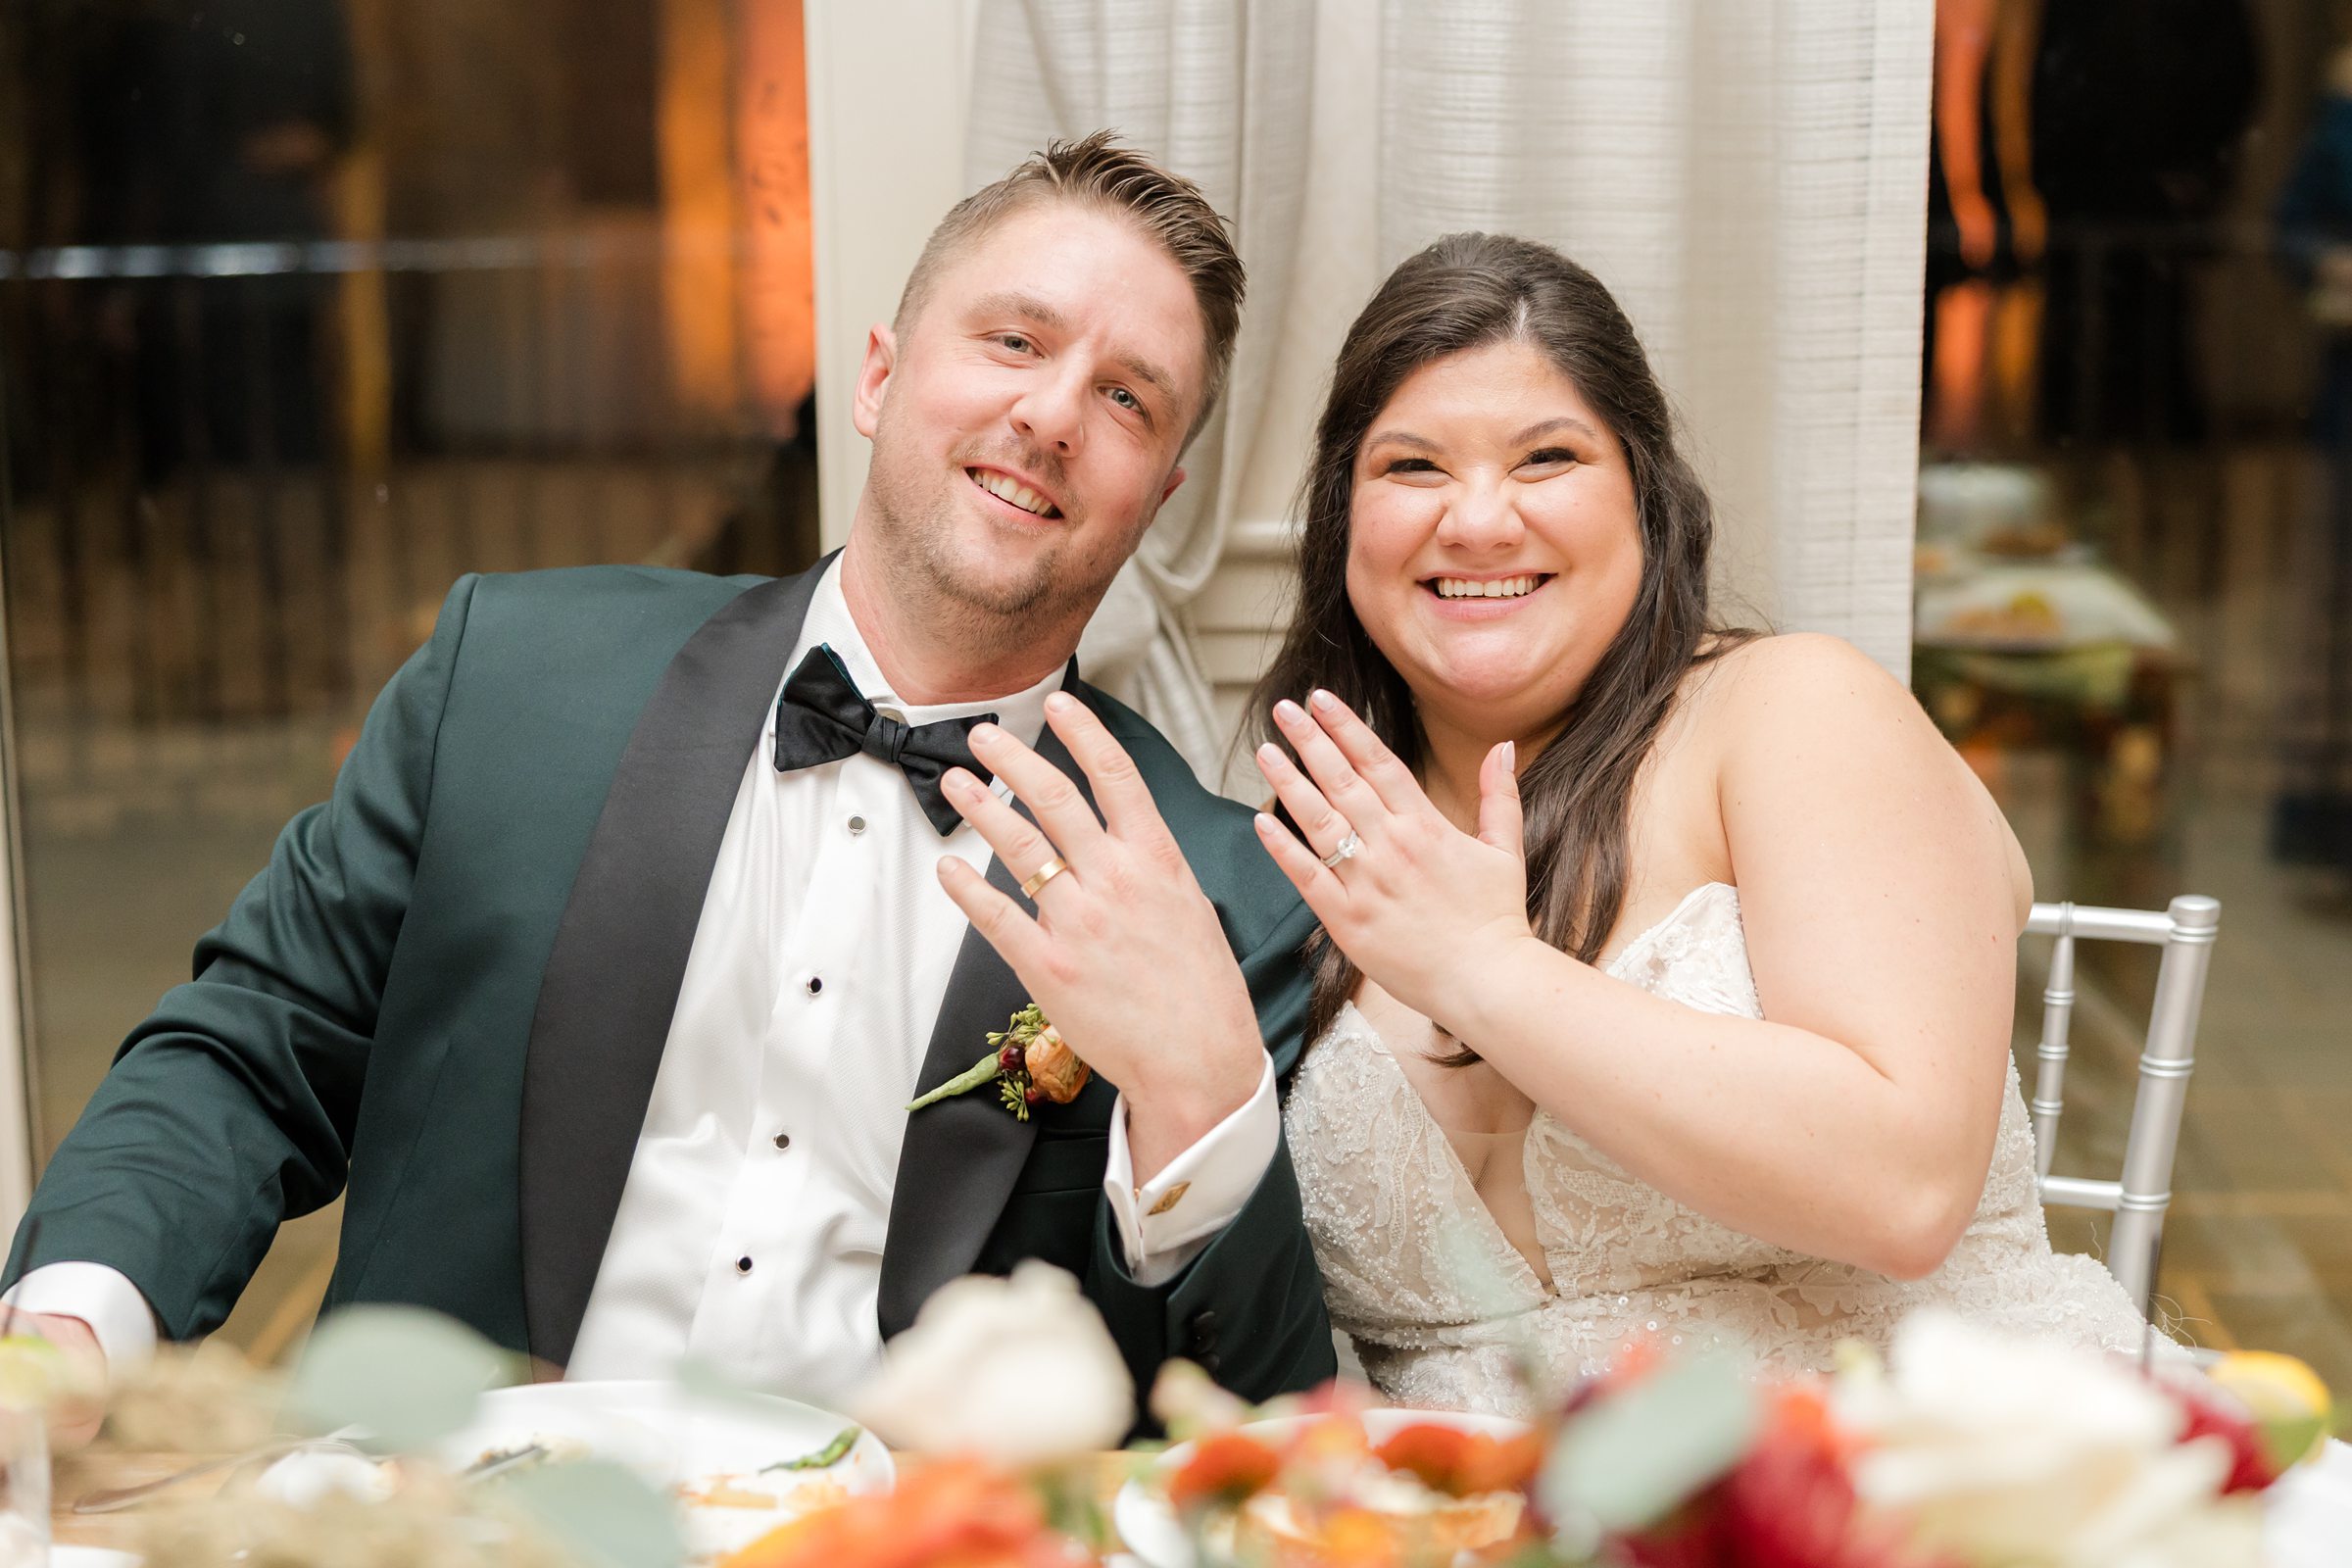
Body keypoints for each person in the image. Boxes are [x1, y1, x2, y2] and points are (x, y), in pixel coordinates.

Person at [0, 133, 1335, 1435]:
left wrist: (1203, 1106)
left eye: (1126, 398)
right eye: (1014, 342)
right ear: (875, 378)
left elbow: (1252, 1433)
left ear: (1154, 498)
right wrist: (70, 1326)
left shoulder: (1220, 899)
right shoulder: (512, 685)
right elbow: (251, 1048)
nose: (1049, 415)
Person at [1242, 232, 2153, 1414]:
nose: (1476, 521)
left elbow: (1908, 1185)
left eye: (1546, 457)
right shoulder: (1317, 823)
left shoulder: (1792, 712)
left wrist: (1482, 968)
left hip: (1902, 1473)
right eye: (1413, 466)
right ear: (1342, 516)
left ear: (1647, 497)